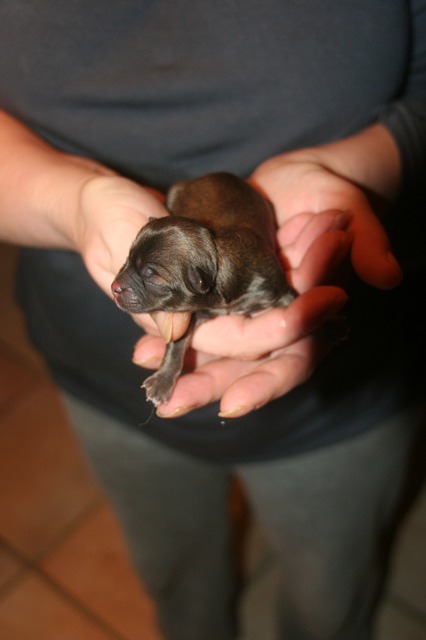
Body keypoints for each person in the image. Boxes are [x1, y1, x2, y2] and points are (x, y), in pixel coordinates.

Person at [0, 2, 425, 639]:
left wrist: (361, 167)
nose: (126, 286)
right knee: (177, 583)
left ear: (203, 286)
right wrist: (75, 200)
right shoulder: (177, 260)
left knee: (328, 603)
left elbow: (281, 293)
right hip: (95, 374)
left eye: (148, 280)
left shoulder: (250, 272)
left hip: (352, 400)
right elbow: (176, 319)